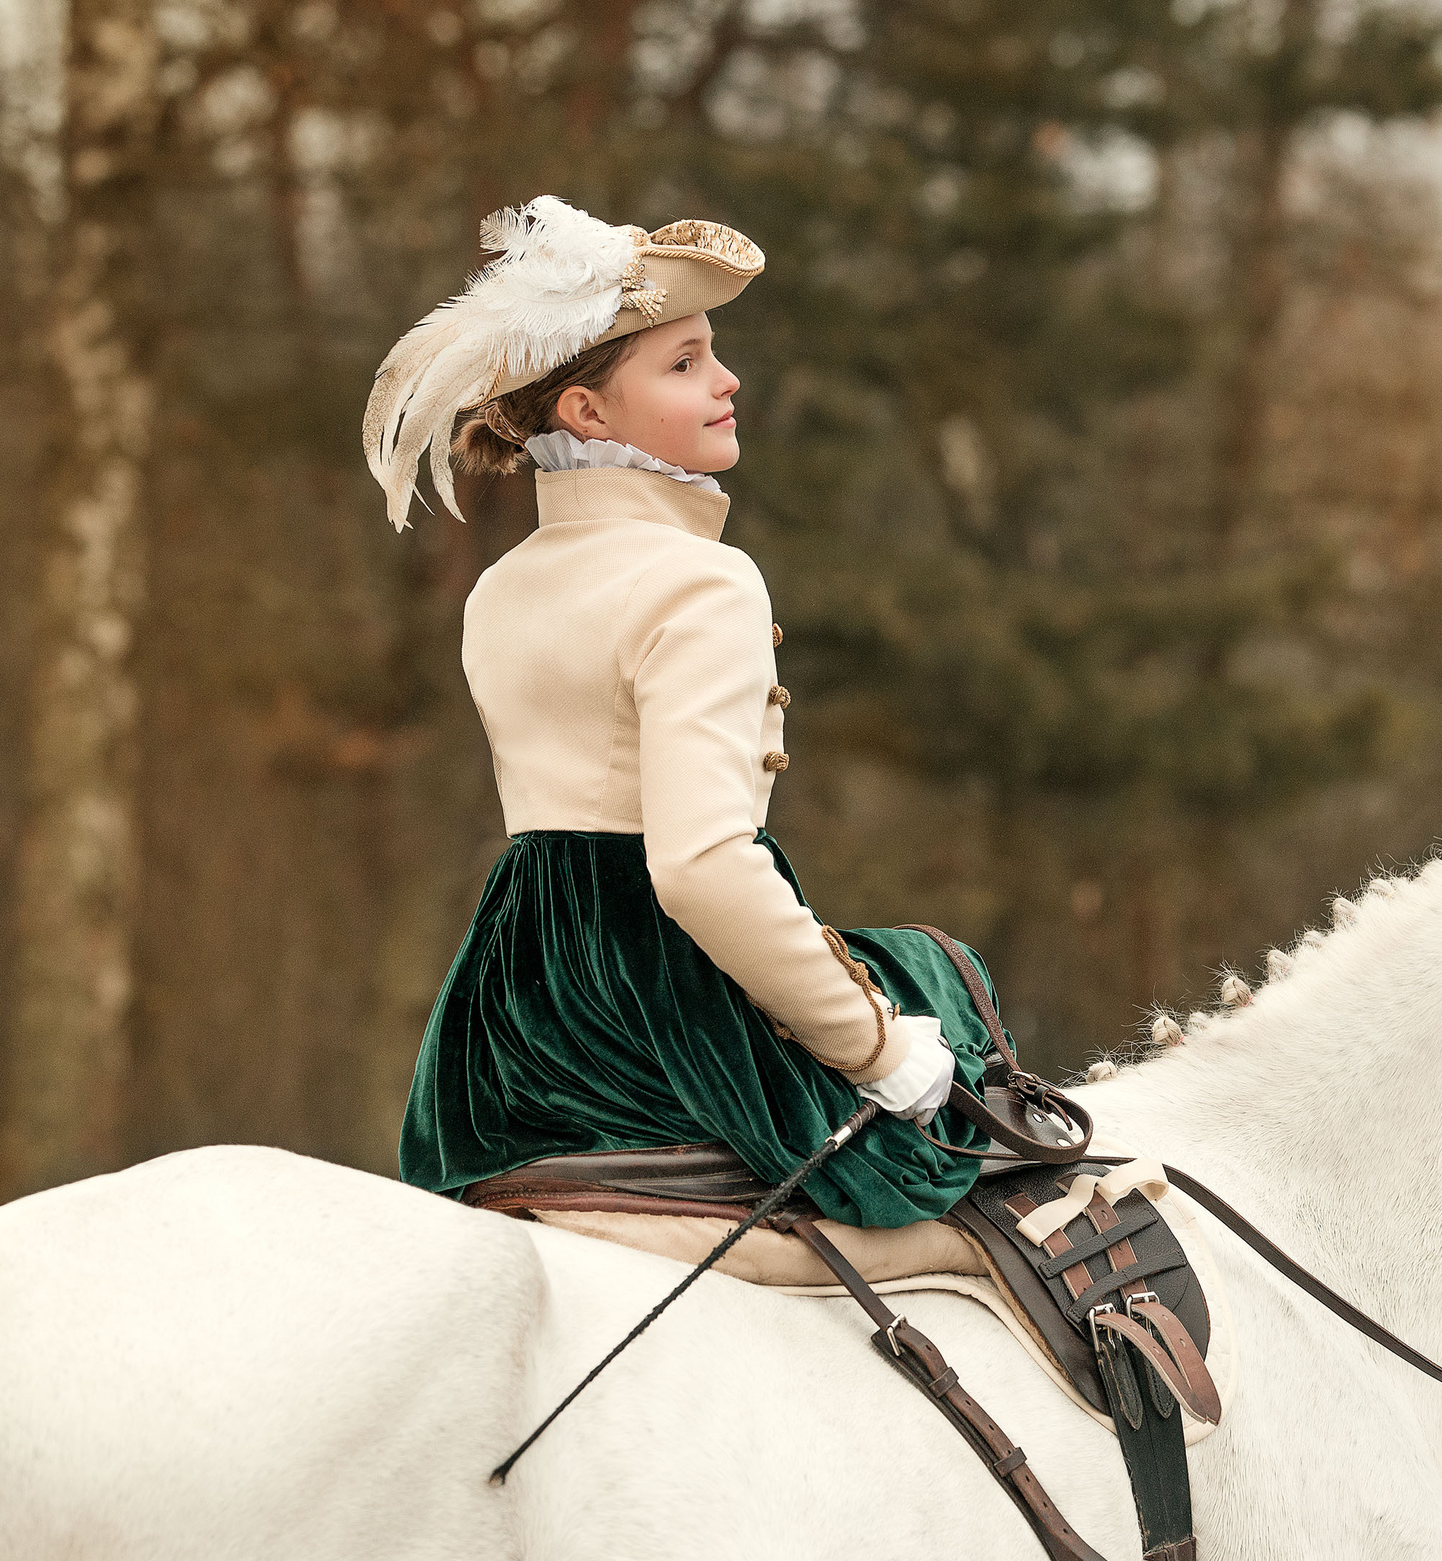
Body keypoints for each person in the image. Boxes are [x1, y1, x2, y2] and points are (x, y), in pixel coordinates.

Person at [366, 195, 999, 1228]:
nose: (726, 379)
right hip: (653, 1002)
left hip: (511, 1005)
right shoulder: (702, 581)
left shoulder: (501, 587)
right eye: (685, 362)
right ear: (587, 414)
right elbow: (700, 868)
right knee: (945, 988)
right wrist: (878, 1051)